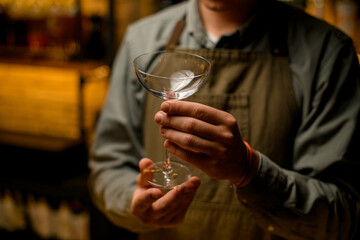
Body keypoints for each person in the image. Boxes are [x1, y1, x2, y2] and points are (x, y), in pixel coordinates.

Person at [88, 0, 360, 239]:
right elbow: (108, 166)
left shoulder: (328, 52)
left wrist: (250, 170)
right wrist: (132, 202)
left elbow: (342, 218)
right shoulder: (142, 38)